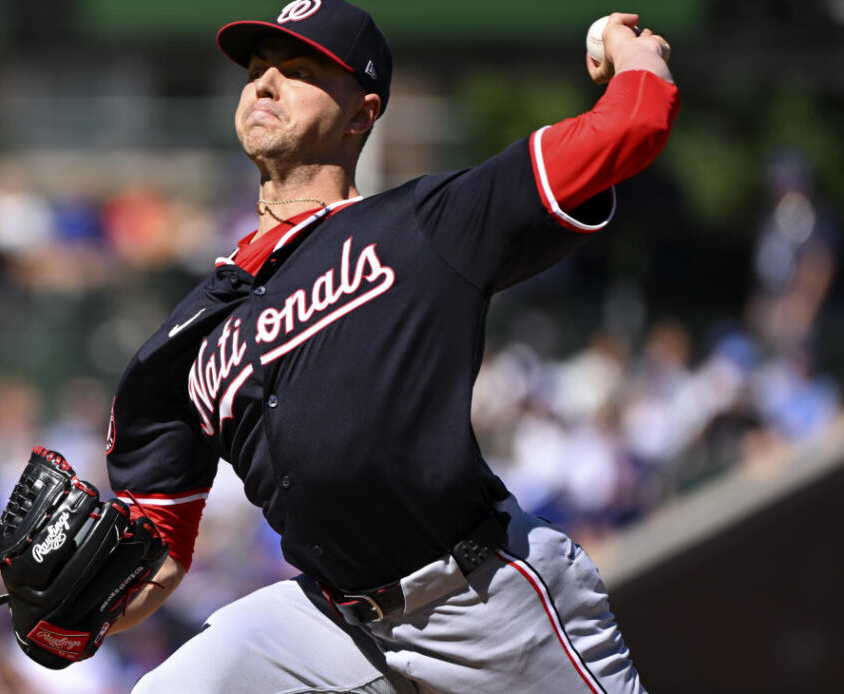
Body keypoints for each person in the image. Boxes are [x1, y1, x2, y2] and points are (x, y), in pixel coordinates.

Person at [104, 2, 677, 692]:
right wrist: (73, 613)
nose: (265, 84)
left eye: (299, 70)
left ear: (361, 112)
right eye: (258, 70)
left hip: (482, 601)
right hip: (332, 624)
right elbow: (156, 555)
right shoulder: (192, 333)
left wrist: (635, 53)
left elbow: (633, 124)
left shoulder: (427, 225)